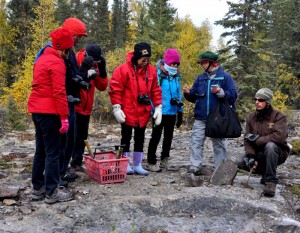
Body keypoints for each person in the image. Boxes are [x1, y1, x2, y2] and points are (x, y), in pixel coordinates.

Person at [28, 27, 75, 204]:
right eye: (69, 49)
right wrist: (64, 117)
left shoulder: (41, 58)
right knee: (53, 152)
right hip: (50, 112)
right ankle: (52, 192)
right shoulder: (57, 63)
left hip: (37, 110)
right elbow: (59, 92)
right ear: (64, 48)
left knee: (41, 150)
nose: (69, 53)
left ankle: (37, 188)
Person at [109, 42, 162, 176]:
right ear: (136, 57)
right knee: (125, 137)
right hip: (128, 110)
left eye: (148, 60)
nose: (146, 62)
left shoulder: (151, 71)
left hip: (143, 111)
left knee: (140, 137)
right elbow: (115, 89)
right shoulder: (123, 69)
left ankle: (137, 165)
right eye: (143, 60)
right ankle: (125, 164)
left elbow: (156, 90)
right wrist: (116, 107)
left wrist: (158, 107)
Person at [183, 51, 237, 174]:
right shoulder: (200, 78)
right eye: (201, 62)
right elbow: (194, 97)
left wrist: (221, 92)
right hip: (200, 117)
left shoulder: (225, 77)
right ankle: (195, 165)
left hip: (218, 118)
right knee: (196, 141)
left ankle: (220, 168)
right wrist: (187, 93)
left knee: (219, 143)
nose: (202, 65)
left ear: (213, 63)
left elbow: (233, 96)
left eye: (204, 62)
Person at [239, 88, 290, 197]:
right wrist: (251, 155)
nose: (257, 102)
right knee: (240, 162)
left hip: (276, 153)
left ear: (268, 102)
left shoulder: (279, 116)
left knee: (270, 146)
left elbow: (280, 136)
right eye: (256, 99)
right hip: (259, 153)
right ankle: (264, 173)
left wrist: (258, 140)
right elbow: (247, 138)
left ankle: (271, 182)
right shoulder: (251, 117)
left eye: (261, 100)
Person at [59, 18, 89, 183]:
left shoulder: (69, 52)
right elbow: (58, 78)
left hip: (71, 102)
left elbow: (73, 74)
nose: (79, 40)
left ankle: (62, 171)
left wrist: (81, 77)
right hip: (62, 102)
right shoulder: (59, 51)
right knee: (62, 141)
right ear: (70, 33)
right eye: (78, 36)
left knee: (70, 139)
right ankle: (57, 175)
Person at [70, 44, 108, 169]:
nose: (94, 64)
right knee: (72, 137)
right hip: (75, 104)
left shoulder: (96, 65)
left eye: (97, 62)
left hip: (87, 107)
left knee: (82, 136)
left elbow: (102, 87)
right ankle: (64, 164)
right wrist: (84, 71)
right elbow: (71, 82)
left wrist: (102, 71)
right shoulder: (76, 59)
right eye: (94, 62)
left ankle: (76, 162)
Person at [145, 48, 183, 172]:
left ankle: (165, 159)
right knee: (155, 136)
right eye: (173, 64)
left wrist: (180, 111)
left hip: (172, 112)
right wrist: (154, 109)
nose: (175, 66)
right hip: (159, 112)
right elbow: (151, 93)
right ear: (166, 63)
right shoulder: (158, 76)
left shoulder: (176, 77)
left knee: (168, 137)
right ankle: (151, 161)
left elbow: (178, 93)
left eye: (177, 64)